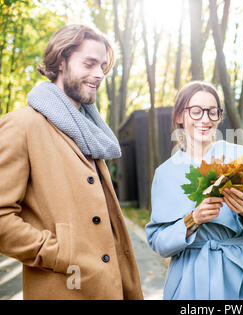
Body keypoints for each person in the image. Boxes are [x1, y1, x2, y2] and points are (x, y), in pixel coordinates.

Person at [0, 24, 143, 300]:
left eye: (102, 66)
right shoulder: (22, 125)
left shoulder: (91, 131)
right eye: (89, 63)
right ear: (62, 61)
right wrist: (59, 252)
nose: (99, 74)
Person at [146, 81, 243, 299]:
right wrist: (193, 220)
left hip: (235, 272)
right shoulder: (165, 173)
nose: (205, 119)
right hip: (187, 278)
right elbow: (159, 243)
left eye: (212, 112)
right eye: (196, 111)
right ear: (180, 116)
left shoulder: (241, 157)